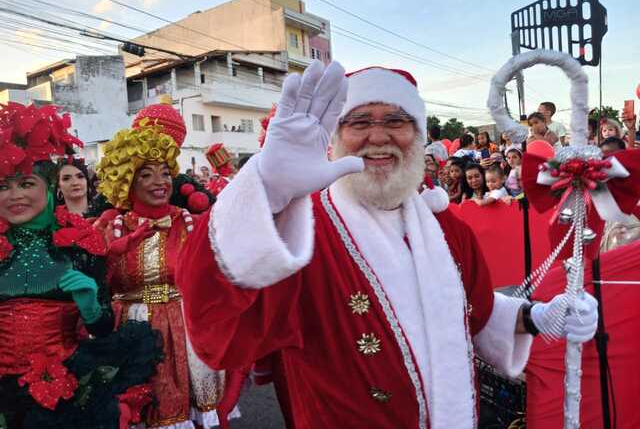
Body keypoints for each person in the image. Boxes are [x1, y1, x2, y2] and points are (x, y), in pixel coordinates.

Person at [176, 62, 598, 428]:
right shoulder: (299, 227)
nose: (378, 136)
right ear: (335, 136)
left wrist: (538, 317)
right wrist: (265, 192)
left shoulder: (447, 229)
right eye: (359, 122)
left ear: (417, 134)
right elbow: (220, 334)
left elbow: (470, 314)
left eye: (396, 121)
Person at [0, 102, 161, 428]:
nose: (14, 196)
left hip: (64, 388)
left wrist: (89, 306)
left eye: (26, 184)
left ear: (48, 190)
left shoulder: (79, 244)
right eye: (4, 186)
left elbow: (102, 329)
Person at [96, 118, 237, 428]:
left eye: (164, 172)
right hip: (134, 330)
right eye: (146, 174)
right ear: (126, 183)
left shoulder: (192, 224)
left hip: (187, 328)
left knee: (197, 413)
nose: (160, 182)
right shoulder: (109, 230)